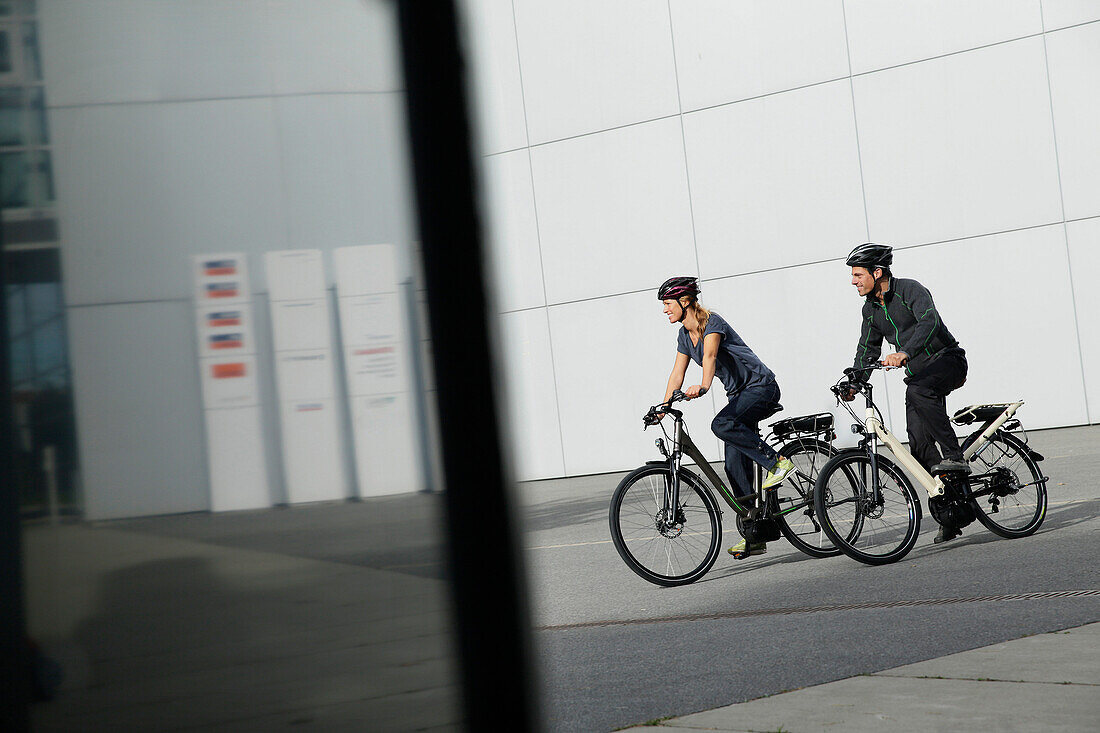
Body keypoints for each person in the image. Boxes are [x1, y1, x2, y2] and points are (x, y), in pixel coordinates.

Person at [656, 276, 794, 558]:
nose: (665, 310)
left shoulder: (712, 323)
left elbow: (709, 356)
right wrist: (663, 405)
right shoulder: (684, 335)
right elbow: (677, 373)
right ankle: (755, 533)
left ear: (685, 302)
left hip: (761, 387)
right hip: (739, 397)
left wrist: (705, 386)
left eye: (668, 304)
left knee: (721, 424)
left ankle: (778, 463)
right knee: (733, 467)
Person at [844, 243, 969, 543]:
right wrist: (854, 381)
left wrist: (904, 352)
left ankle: (954, 455)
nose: (853, 281)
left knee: (918, 391)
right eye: (852, 275)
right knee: (919, 448)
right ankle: (952, 514)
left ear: (878, 272)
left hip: (947, 361)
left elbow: (930, 321)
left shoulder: (910, 290)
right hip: (918, 377)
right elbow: (867, 347)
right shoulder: (871, 309)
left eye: (858, 274)